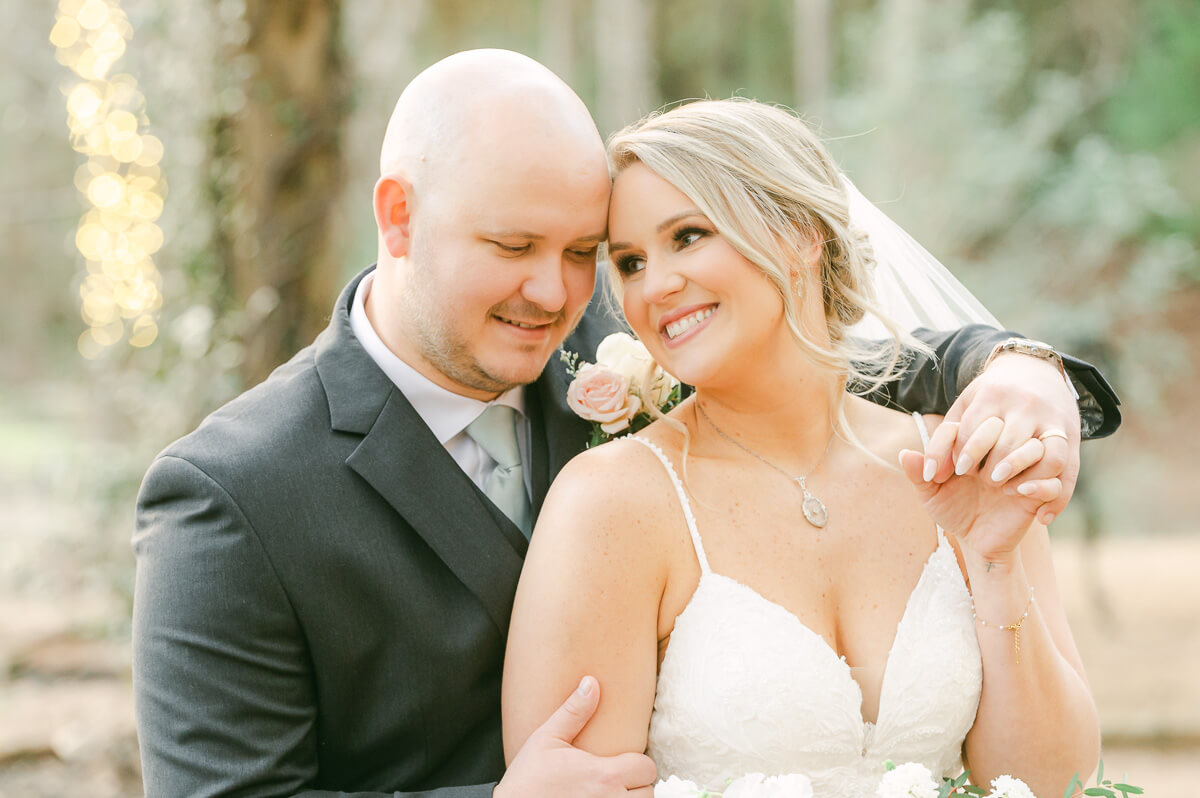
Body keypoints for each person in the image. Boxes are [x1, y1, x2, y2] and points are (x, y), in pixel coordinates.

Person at [132, 51, 1117, 797]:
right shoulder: (232, 494)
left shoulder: (633, 342)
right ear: (397, 217)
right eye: (513, 245)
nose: (558, 293)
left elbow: (816, 365)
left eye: (583, 253)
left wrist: (1019, 368)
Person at [501, 98, 1102, 798]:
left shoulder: (960, 462)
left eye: (688, 236)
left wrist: (997, 563)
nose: (653, 286)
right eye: (630, 262)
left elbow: (1053, 781)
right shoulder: (613, 500)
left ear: (800, 234)